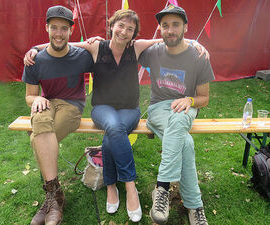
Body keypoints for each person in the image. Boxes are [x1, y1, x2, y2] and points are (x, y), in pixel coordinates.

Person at [24, 9, 208, 223]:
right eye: (120, 26)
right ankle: (130, 187)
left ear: (134, 34)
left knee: (114, 130)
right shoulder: (96, 47)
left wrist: (195, 42)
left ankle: (111, 185)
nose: (124, 31)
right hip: (102, 108)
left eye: (130, 29)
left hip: (130, 110)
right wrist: (35, 48)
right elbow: (66, 44)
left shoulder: (136, 48)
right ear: (111, 26)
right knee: (113, 125)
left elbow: (164, 38)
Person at [138, 4, 215, 225]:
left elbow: (204, 99)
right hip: (158, 109)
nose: (170, 30)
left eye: (175, 25)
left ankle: (162, 188)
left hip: (186, 107)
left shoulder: (198, 56)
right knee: (186, 143)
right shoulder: (153, 52)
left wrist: (189, 100)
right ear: (160, 29)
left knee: (184, 134)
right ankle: (195, 207)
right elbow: (122, 46)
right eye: (165, 26)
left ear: (185, 28)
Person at [22, 5, 93, 225]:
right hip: (49, 102)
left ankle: (52, 198)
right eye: (54, 28)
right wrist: (38, 99)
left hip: (72, 106)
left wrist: (95, 43)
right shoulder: (36, 60)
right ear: (47, 28)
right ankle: (55, 196)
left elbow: (108, 54)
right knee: (41, 118)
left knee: (37, 138)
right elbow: (29, 97)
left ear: (71, 31)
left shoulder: (81, 56)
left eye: (64, 28)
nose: (59, 33)